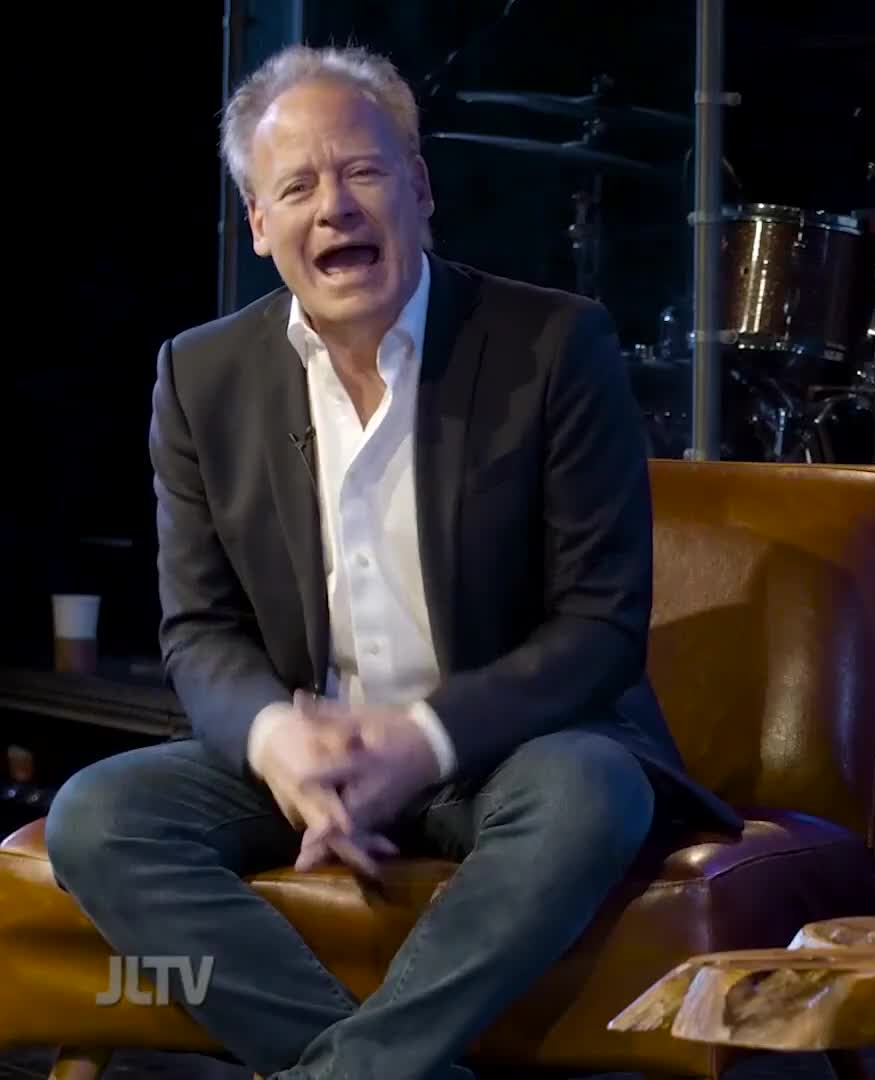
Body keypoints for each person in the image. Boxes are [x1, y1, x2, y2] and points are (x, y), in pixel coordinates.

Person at [42, 44, 739, 1080]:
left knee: (595, 788)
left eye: (362, 173)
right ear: (260, 225)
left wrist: (420, 740)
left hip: (506, 750)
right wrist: (276, 738)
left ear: (417, 189)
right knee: (97, 816)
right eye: (298, 187)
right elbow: (198, 629)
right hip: (312, 763)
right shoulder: (201, 376)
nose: (335, 209)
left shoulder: (552, 346)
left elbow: (599, 631)